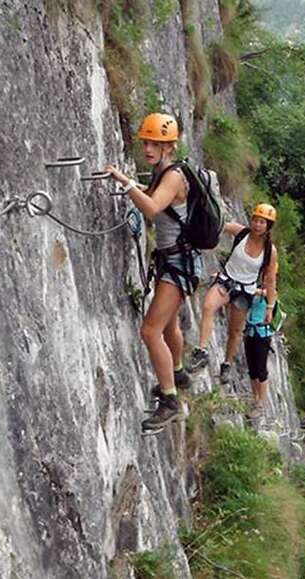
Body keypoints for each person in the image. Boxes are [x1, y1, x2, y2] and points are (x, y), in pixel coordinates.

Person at [105, 113, 203, 435]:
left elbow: (151, 208)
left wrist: (125, 181)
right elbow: (151, 207)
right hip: (174, 261)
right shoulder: (163, 171)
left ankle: (170, 401)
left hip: (178, 265)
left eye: (155, 144)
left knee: (150, 331)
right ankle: (177, 373)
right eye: (145, 142)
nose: (148, 148)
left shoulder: (173, 176)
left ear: (169, 147)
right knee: (170, 324)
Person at [187, 204, 278, 382]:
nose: (257, 225)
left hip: (246, 290)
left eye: (262, 222)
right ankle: (202, 350)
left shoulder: (270, 251)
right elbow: (220, 224)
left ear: (268, 226)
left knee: (235, 331)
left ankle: (227, 363)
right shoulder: (241, 232)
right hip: (227, 281)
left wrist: (269, 306)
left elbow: (270, 279)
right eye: (256, 220)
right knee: (208, 306)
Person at [243, 269, 278, 418]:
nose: (264, 280)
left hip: (262, 335)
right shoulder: (257, 293)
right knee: (252, 370)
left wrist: (250, 289)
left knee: (261, 370)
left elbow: (269, 294)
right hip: (250, 332)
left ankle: (260, 404)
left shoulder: (271, 294)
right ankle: (254, 398)